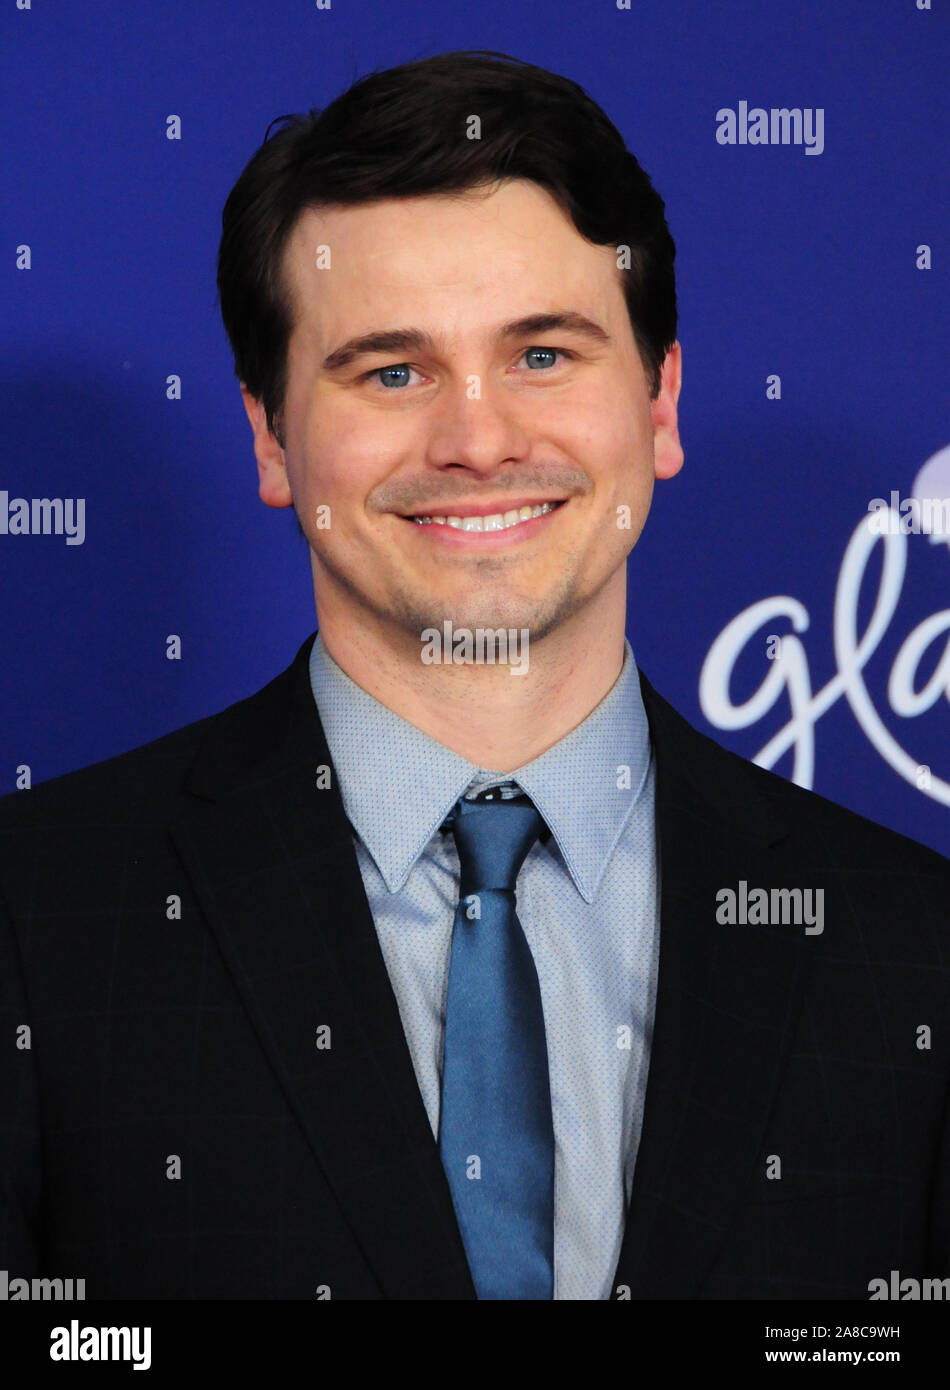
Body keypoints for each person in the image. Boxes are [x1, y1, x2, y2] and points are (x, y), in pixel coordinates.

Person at [1, 49, 948, 1302]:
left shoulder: (909, 946)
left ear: (659, 403)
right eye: (390, 372)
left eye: (542, 355)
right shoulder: (37, 918)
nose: (478, 439)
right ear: (270, 436)